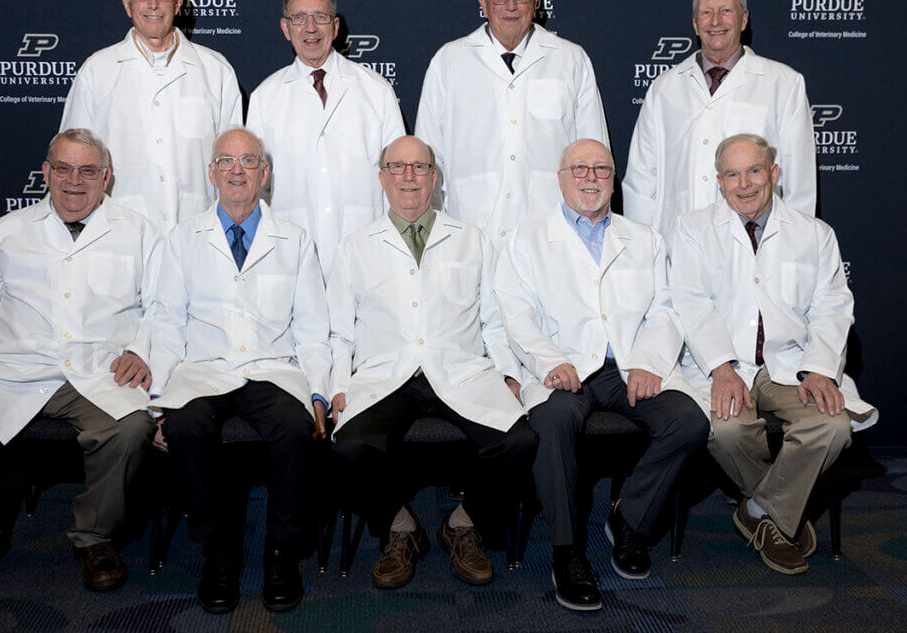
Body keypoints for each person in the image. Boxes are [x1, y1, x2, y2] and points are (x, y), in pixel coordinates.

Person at [0, 129, 163, 592]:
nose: (74, 181)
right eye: (63, 168)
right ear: (45, 173)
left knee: (129, 430)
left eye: (88, 170)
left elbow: (159, 308)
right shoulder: (5, 232)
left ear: (106, 178)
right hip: (11, 368)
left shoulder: (139, 232)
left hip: (96, 370)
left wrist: (140, 351)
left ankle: (94, 537)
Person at [495, 138, 707, 611]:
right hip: (560, 367)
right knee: (553, 422)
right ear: (560, 178)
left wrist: (650, 361)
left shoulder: (645, 238)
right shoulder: (524, 238)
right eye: (580, 169)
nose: (590, 178)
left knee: (689, 421)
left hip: (627, 366)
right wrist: (549, 360)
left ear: (614, 178)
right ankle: (567, 552)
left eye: (601, 170)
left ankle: (630, 520)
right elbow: (515, 312)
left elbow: (666, 309)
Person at [328, 135, 537, 590]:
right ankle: (401, 529)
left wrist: (507, 373)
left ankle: (463, 523)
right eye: (397, 168)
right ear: (381, 178)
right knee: (348, 447)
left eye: (419, 167)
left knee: (519, 440)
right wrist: (339, 384)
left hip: (459, 371)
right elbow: (340, 331)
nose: (408, 177)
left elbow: (494, 322)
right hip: (386, 376)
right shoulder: (354, 246)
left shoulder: (472, 240)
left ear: (434, 178)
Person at [670, 133, 877, 574]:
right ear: (719, 181)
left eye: (755, 170)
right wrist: (722, 369)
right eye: (732, 174)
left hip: (791, 364)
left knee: (832, 426)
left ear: (775, 174)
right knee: (727, 432)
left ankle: (759, 512)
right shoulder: (692, 228)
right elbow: (691, 303)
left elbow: (832, 309)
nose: (744, 184)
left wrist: (820, 369)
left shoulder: (815, 234)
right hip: (725, 364)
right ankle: (783, 515)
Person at [149, 127, 330, 613]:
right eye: (225, 161)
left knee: (294, 430)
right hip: (204, 368)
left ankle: (282, 551)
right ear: (211, 173)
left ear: (264, 174)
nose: (236, 170)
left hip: (270, 369)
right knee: (185, 426)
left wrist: (318, 393)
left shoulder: (294, 239)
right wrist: (159, 404)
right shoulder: (182, 238)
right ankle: (219, 552)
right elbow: (166, 323)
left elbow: (313, 329)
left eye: (248, 161)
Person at [415, 0, 609, 243]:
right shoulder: (449, 61)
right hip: (468, 228)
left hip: (552, 232)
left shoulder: (571, 59)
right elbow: (428, 156)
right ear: (482, 2)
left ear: (536, 0)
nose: (511, 5)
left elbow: (595, 154)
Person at [624, 0, 816, 243]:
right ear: (694, 23)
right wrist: (642, 252)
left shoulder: (783, 84)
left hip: (756, 247)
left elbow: (800, 184)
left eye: (726, 11)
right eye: (706, 12)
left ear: (744, 19)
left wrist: (793, 252)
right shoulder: (663, 89)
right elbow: (641, 182)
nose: (715, 21)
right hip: (678, 249)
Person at [61, 0, 242, 229]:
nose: (153, 4)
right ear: (127, 4)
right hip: (117, 234)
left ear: (178, 3)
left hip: (198, 232)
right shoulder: (97, 71)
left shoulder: (216, 71)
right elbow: (71, 160)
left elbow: (235, 164)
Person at [246, 0, 404, 276]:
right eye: (299, 18)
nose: (310, 28)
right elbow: (255, 189)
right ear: (285, 27)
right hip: (289, 258)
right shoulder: (264, 98)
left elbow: (398, 178)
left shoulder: (376, 90)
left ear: (335, 26)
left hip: (367, 254)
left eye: (319, 17)